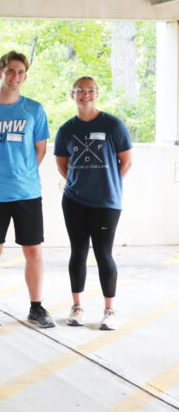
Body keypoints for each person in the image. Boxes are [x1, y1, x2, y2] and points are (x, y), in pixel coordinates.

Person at [0, 51, 54, 330]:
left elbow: (40, 148)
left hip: (27, 192)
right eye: (10, 71)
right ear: (0, 73)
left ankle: (36, 307)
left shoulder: (34, 109)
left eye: (20, 72)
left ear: (25, 77)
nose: (15, 77)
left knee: (34, 252)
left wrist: (25, 174)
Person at [53, 76, 132, 330]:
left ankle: (109, 311)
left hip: (107, 203)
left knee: (103, 254)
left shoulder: (113, 124)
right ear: (72, 94)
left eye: (90, 90)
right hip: (74, 201)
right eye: (79, 90)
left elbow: (126, 161)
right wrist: (81, 182)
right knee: (78, 251)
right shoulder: (66, 129)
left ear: (97, 93)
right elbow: (63, 165)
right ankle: (77, 308)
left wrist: (107, 184)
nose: (85, 95)